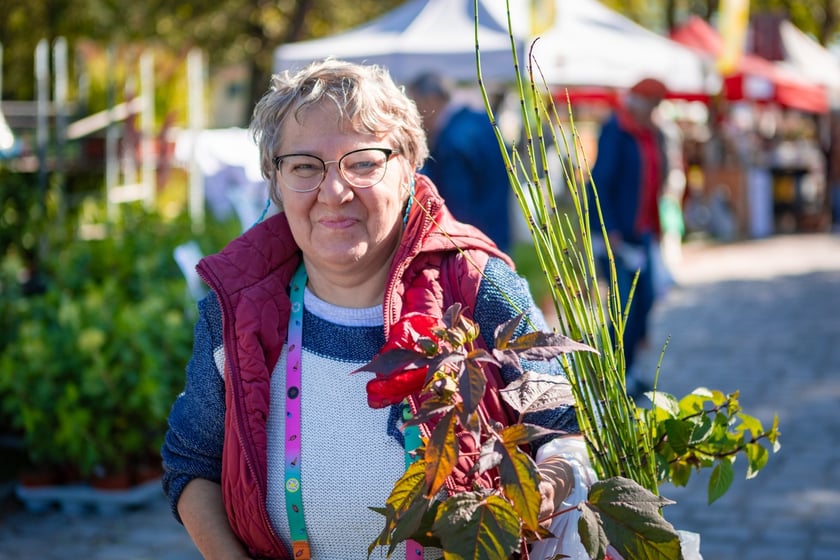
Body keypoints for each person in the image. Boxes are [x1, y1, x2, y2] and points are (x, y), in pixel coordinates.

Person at [161, 58, 589, 560]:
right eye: (304, 167)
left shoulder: (475, 286)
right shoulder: (235, 310)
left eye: (362, 162)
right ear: (275, 181)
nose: (335, 191)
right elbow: (191, 464)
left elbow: (562, 426)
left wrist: (541, 490)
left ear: (409, 167)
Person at [588, 77, 672, 397]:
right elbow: (599, 183)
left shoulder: (651, 133)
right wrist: (609, 233)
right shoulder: (616, 130)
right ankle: (615, 376)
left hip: (645, 231)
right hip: (620, 237)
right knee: (622, 307)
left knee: (646, 301)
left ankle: (632, 368)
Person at [406, 71, 512, 252]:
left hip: (471, 243)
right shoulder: (482, 120)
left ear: (431, 99)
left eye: (415, 105)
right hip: (498, 227)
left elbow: (457, 206)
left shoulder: (453, 140)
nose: (414, 117)